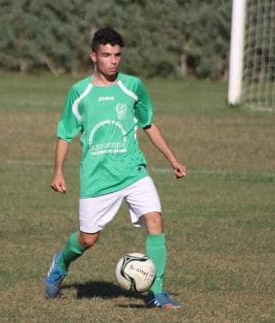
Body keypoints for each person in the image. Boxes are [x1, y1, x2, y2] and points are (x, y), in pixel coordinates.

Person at [44, 27, 186, 310]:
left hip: (133, 170)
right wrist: (58, 171)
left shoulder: (132, 87)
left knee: (155, 220)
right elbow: (65, 133)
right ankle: (61, 262)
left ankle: (155, 292)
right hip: (97, 178)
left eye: (117, 55)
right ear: (93, 56)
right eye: (106, 55)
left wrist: (172, 158)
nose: (113, 61)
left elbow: (148, 124)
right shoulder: (79, 93)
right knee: (88, 239)